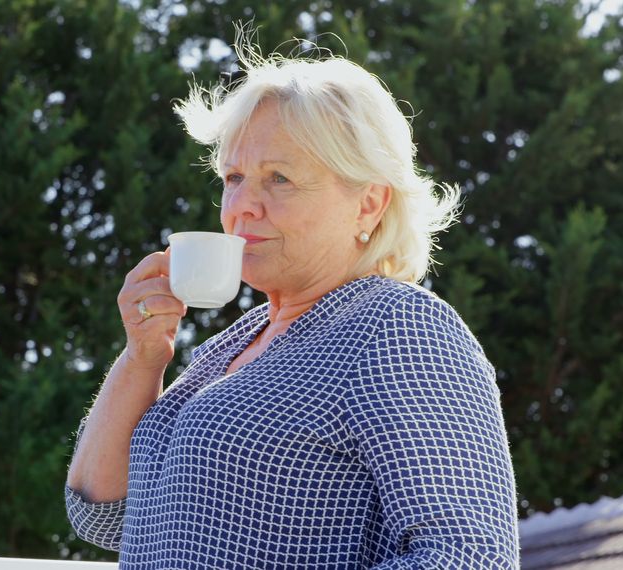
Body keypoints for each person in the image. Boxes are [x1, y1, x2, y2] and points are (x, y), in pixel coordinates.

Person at [64, 38, 519, 568]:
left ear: (368, 205)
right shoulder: (227, 348)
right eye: (233, 178)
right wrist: (143, 356)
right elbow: (101, 514)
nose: (240, 208)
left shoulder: (399, 326)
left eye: (278, 179)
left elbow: (468, 555)